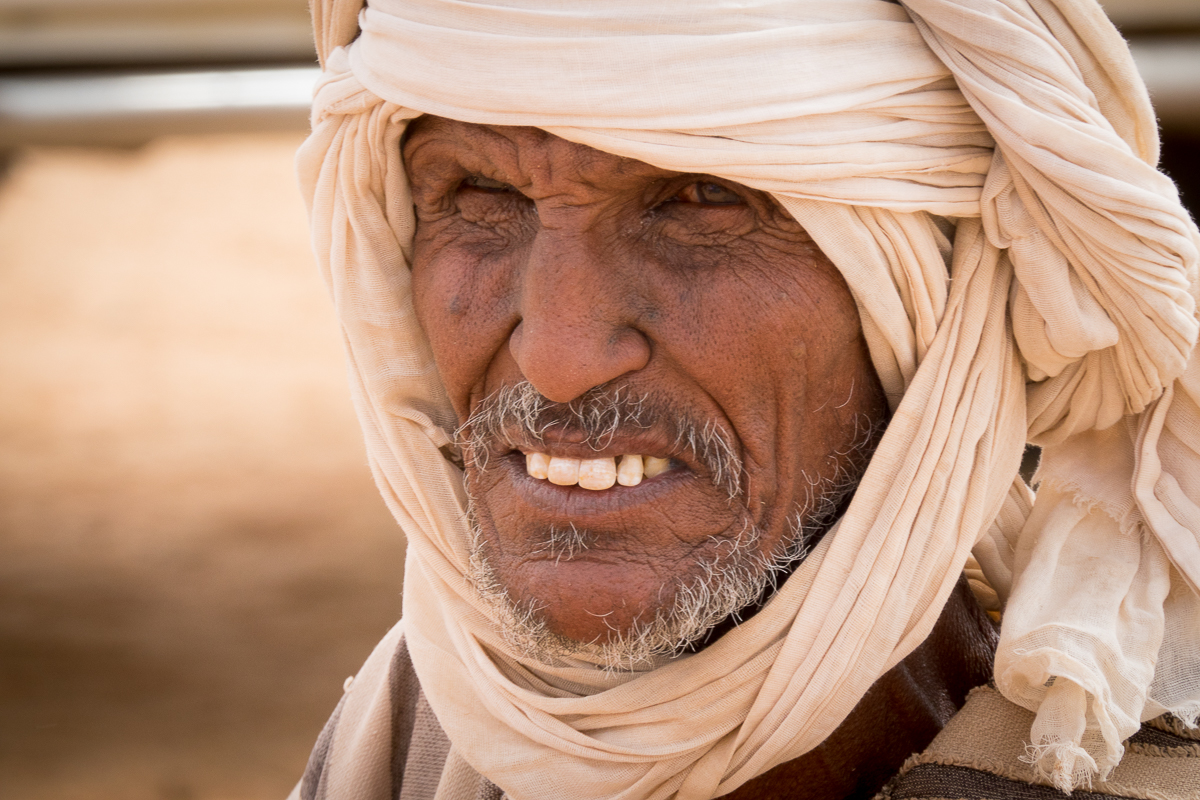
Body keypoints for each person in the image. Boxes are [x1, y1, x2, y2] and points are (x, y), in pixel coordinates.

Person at [290, 1, 1200, 798]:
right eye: (483, 193)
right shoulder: (423, 715)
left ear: (933, 301)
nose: (559, 358)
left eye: (700, 201)